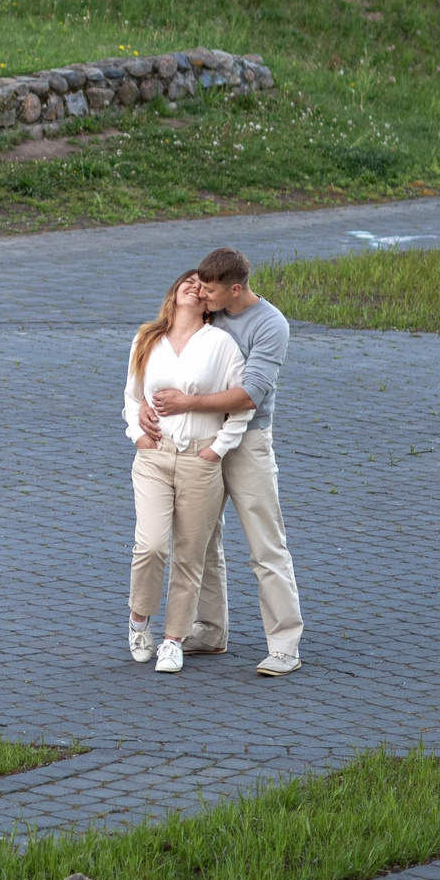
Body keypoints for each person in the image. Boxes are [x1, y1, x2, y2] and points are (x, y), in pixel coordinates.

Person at [143, 246, 304, 676]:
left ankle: (285, 645)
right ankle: (209, 631)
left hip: (246, 442)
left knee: (265, 544)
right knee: (202, 542)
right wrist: (145, 407)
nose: (202, 296)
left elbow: (251, 394)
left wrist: (187, 403)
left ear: (234, 289)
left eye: (210, 290)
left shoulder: (270, 324)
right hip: (195, 441)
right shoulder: (210, 312)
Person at [120, 270, 253, 675]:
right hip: (154, 459)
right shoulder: (147, 339)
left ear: (210, 300)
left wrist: (216, 450)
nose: (195, 286)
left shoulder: (222, 344)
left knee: (190, 556)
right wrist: (136, 433)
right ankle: (139, 621)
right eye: (188, 281)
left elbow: (241, 406)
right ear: (174, 291)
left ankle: (174, 639)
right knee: (152, 546)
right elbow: (131, 395)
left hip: (200, 461)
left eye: (202, 284)